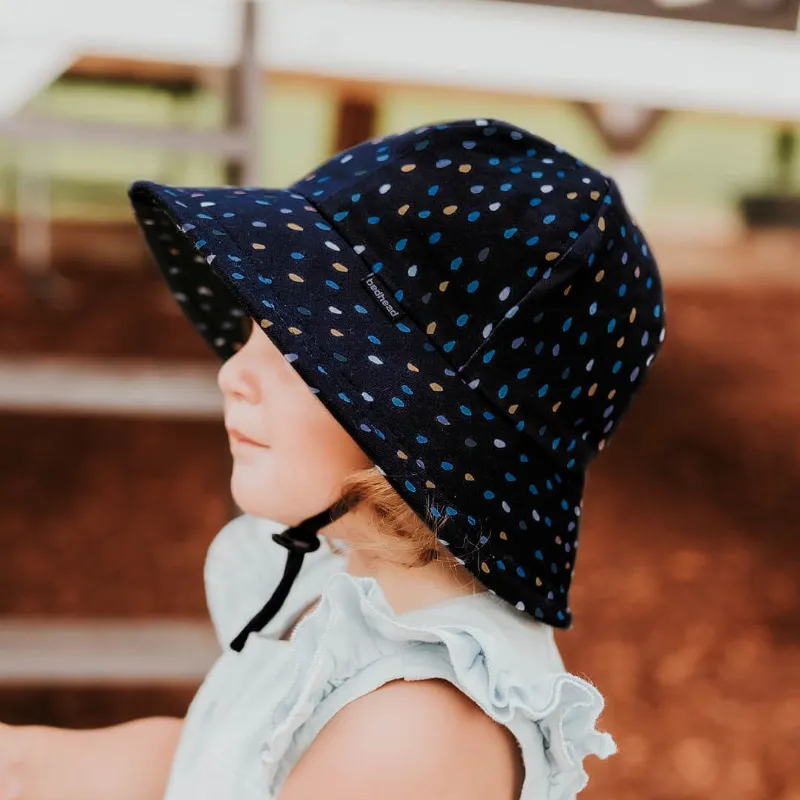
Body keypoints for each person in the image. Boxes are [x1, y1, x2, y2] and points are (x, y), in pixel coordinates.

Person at [1, 117, 665, 800]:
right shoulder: (350, 583)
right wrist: (21, 765)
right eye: (254, 326)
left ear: (415, 425)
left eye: (298, 346)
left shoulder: (413, 733)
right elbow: (219, 762)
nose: (233, 371)